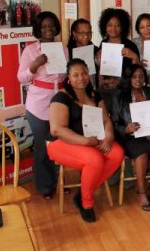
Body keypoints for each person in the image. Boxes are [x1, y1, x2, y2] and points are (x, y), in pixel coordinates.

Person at [47, 59, 125, 222]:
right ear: (68, 78)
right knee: (94, 160)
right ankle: (86, 203)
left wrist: (109, 136)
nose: (81, 77)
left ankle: (83, 192)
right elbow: (56, 129)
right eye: (75, 75)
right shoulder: (61, 97)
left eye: (84, 73)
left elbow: (106, 120)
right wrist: (84, 141)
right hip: (62, 143)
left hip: (92, 140)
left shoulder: (95, 95)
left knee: (117, 154)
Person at [16, 11, 67, 200]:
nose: (48, 29)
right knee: (42, 148)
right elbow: (21, 78)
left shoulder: (62, 48)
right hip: (38, 104)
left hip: (59, 102)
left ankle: (58, 182)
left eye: (51, 26)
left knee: (58, 145)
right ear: (38, 29)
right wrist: (34, 65)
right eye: (44, 26)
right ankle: (45, 187)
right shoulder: (30, 50)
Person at [110, 64, 150, 211]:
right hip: (131, 137)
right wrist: (126, 130)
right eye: (134, 76)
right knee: (141, 154)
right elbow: (114, 123)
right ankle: (141, 192)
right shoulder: (119, 96)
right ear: (128, 78)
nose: (138, 80)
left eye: (141, 76)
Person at [96, 8, 140, 89]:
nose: (113, 29)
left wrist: (134, 56)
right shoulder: (103, 43)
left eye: (117, 25)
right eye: (110, 25)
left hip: (124, 90)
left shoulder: (130, 45)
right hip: (104, 89)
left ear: (122, 27)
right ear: (105, 27)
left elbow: (137, 71)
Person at [67, 18, 99, 88]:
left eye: (88, 33)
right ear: (74, 34)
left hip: (92, 89)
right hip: (73, 90)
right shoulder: (67, 51)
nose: (86, 36)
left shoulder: (96, 50)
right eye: (82, 33)